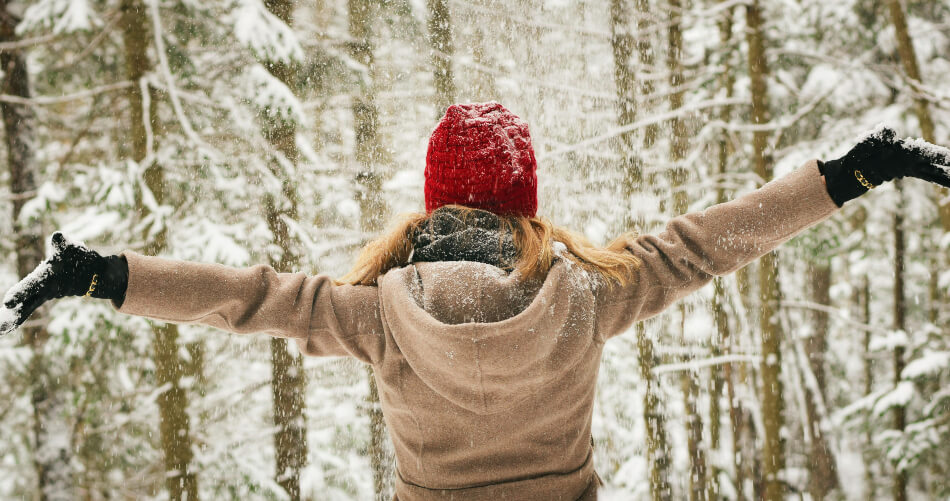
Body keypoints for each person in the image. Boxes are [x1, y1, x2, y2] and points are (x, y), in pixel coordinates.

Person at [2, 102, 950, 501]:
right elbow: (711, 242)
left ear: (433, 199)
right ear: (525, 200)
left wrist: (103, 274)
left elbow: (251, 300)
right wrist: (854, 171)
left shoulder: (374, 314)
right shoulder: (587, 295)